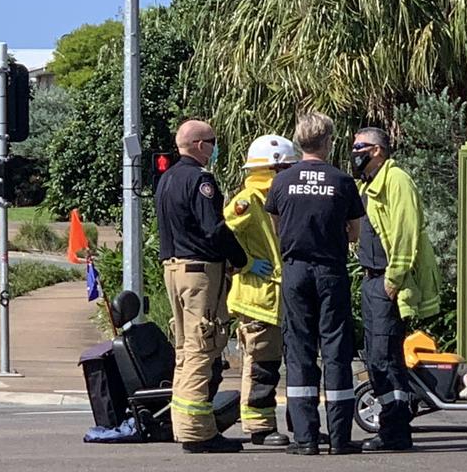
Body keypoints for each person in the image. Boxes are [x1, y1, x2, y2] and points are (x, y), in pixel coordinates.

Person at [265, 112, 365, 456]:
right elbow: (355, 231)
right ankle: (339, 437)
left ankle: (305, 439)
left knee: (299, 351)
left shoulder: (281, 181)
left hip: (295, 271)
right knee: (336, 350)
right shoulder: (341, 182)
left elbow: (278, 225)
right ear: (328, 141)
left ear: (299, 142)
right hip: (330, 270)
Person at [156, 119, 248, 454]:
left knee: (186, 349)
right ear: (198, 145)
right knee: (202, 347)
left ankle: (186, 425)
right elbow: (214, 229)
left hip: (174, 270)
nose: (215, 147)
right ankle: (197, 432)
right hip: (199, 274)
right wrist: (241, 257)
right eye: (212, 141)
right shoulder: (200, 180)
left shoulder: (167, 179)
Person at [351, 127, 442, 453]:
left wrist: (395, 278)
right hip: (373, 279)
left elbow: (406, 232)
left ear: (377, 150)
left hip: (387, 281)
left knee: (385, 358)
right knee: (378, 357)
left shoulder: (396, 180)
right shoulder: (371, 183)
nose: (355, 151)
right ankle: (391, 427)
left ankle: (396, 432)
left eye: (360, 146)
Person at [223, 134, 299, 448]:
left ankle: (297, 425)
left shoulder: (280, 195)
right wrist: (246, 263)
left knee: (281, 362)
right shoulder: (248, 200)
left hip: (279, 295)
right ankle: (259, 427)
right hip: (258, 297)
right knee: (261, 364)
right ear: (276, 169)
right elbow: (222, 235)